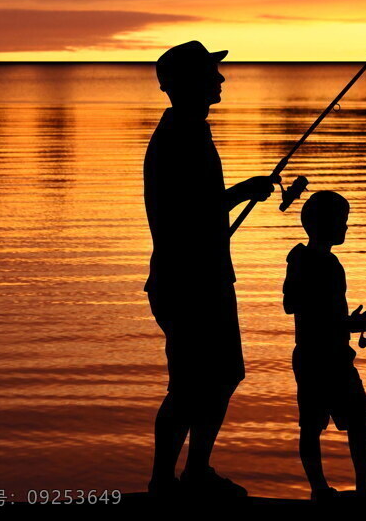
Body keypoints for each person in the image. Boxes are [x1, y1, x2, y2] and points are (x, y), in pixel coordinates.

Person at [144, 41, 280, 499]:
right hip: (188, 283)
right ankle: (166, 479)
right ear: (187, 82)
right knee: (189, 384)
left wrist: (242, 194)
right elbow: (191, 209)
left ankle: (195, 471)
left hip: (205, 276)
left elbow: (197, 211)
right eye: (211, 73)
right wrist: (244, 190)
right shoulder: (180, 134)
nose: (220, 80)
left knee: (222, 375)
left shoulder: (190, 130)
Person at [282, 190, 366, 503]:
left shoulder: (315, 260)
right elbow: (300, 307)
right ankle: (328, 490)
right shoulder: (312, 262)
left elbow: (307, 307)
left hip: (326, 353)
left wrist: (349, 322)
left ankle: (351, 488)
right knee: (323, 424)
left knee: (352, 420)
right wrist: (347, 325)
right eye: (342, 221)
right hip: (320, 356)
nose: (346, 227)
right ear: (325, 225)